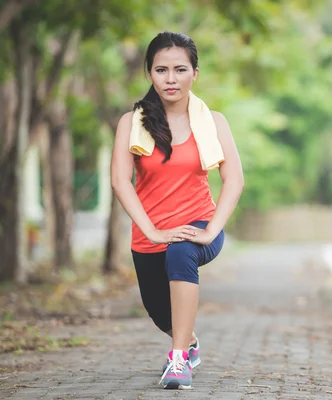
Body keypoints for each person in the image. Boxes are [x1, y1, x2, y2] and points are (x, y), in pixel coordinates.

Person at [110, 31, 244, 390]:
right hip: (150, 234)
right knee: (159, 312)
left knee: (181, 251)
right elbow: (121, 182)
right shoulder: (131, 124)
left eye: (180, 69)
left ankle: (178, 359)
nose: (171, 79)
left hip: (198, 226)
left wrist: (211, 230)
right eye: (161, 70)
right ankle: (190, 343)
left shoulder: (213, 122)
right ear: (150, 74)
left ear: (194, 74)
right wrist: (152, 232)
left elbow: (234, 181)